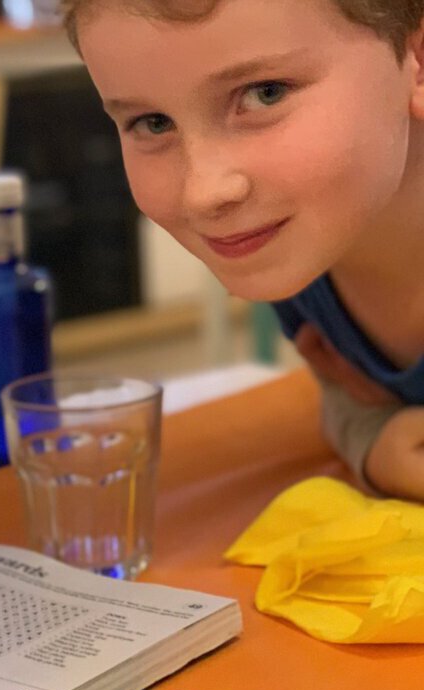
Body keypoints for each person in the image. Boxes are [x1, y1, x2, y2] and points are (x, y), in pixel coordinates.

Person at [62, 0, 424, 501]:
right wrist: (373, 441)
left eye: (265, 93)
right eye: (153, 123)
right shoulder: (300, 244)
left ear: (417, 59)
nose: (205, 192)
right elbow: (357, 401)